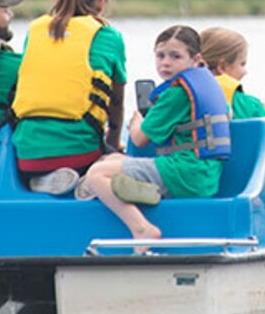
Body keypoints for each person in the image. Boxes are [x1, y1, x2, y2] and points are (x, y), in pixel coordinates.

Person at [81, 25, 232, 244]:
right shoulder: (210, 84)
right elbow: (227, 114)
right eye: (160, 55)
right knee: (111, 159)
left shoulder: (175, 94)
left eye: (175, 56)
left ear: (195, 58)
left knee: (97, 174)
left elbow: (140, 139)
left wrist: (137, 122)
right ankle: (146, 191)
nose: (166, 62)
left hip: (185, 174)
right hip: (204, 176)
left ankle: (142, 229)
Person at [12, 0, 127, 196]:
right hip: (79, 153)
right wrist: (112, 143)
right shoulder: (108, 37)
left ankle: (43, 181)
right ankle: (89, 179)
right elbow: (116, 102)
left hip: (27, 154)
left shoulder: (34, 31)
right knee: (121, 163)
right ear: (101, 3)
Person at [198, 26, 265, 118]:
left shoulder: (181, 99)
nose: (245, 72)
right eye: (242, 64)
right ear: (222, 66)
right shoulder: (252, 106)